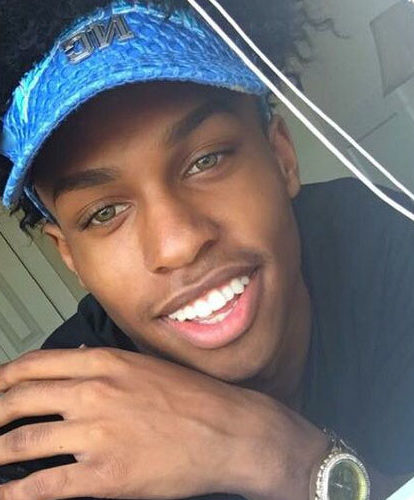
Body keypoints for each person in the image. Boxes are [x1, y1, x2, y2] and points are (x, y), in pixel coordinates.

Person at [0, 0, 413, 499]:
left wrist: (276, 454)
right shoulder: (45, 446)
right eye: (105, 213)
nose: (178, 243)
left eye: (206, 160)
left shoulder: (389, 241)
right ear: (70, 258)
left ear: (281, 156)